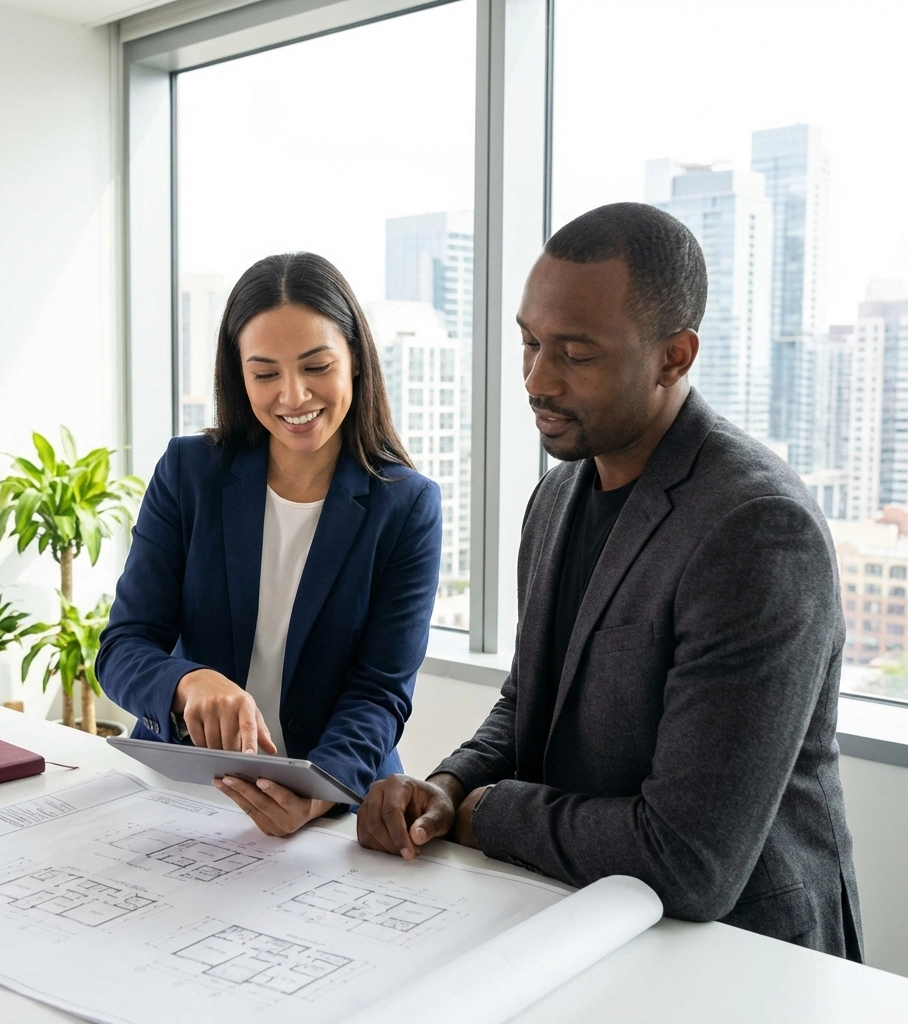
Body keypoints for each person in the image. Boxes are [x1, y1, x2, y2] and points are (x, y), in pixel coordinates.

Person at [356, 203, 864, 959]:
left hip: (741, 961)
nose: (535, 378)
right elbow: (530, 702)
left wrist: (487, 813)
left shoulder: (756, 530)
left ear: (674, 356)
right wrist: (449, 786)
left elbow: (691, 860)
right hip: (583, 925)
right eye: (529, 342)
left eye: (575, 353)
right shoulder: (556, 495)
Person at [98, 252, 442, 836]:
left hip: (333, 809)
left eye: (316, 366)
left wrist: (315, 792)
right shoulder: (188, 473)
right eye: (265, 374)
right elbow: (124, 647)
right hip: (184, 799)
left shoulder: (406, 505)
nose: (293, 396)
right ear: (239, 376)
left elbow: (379, 694)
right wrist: (188, 683)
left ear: (354, 361)